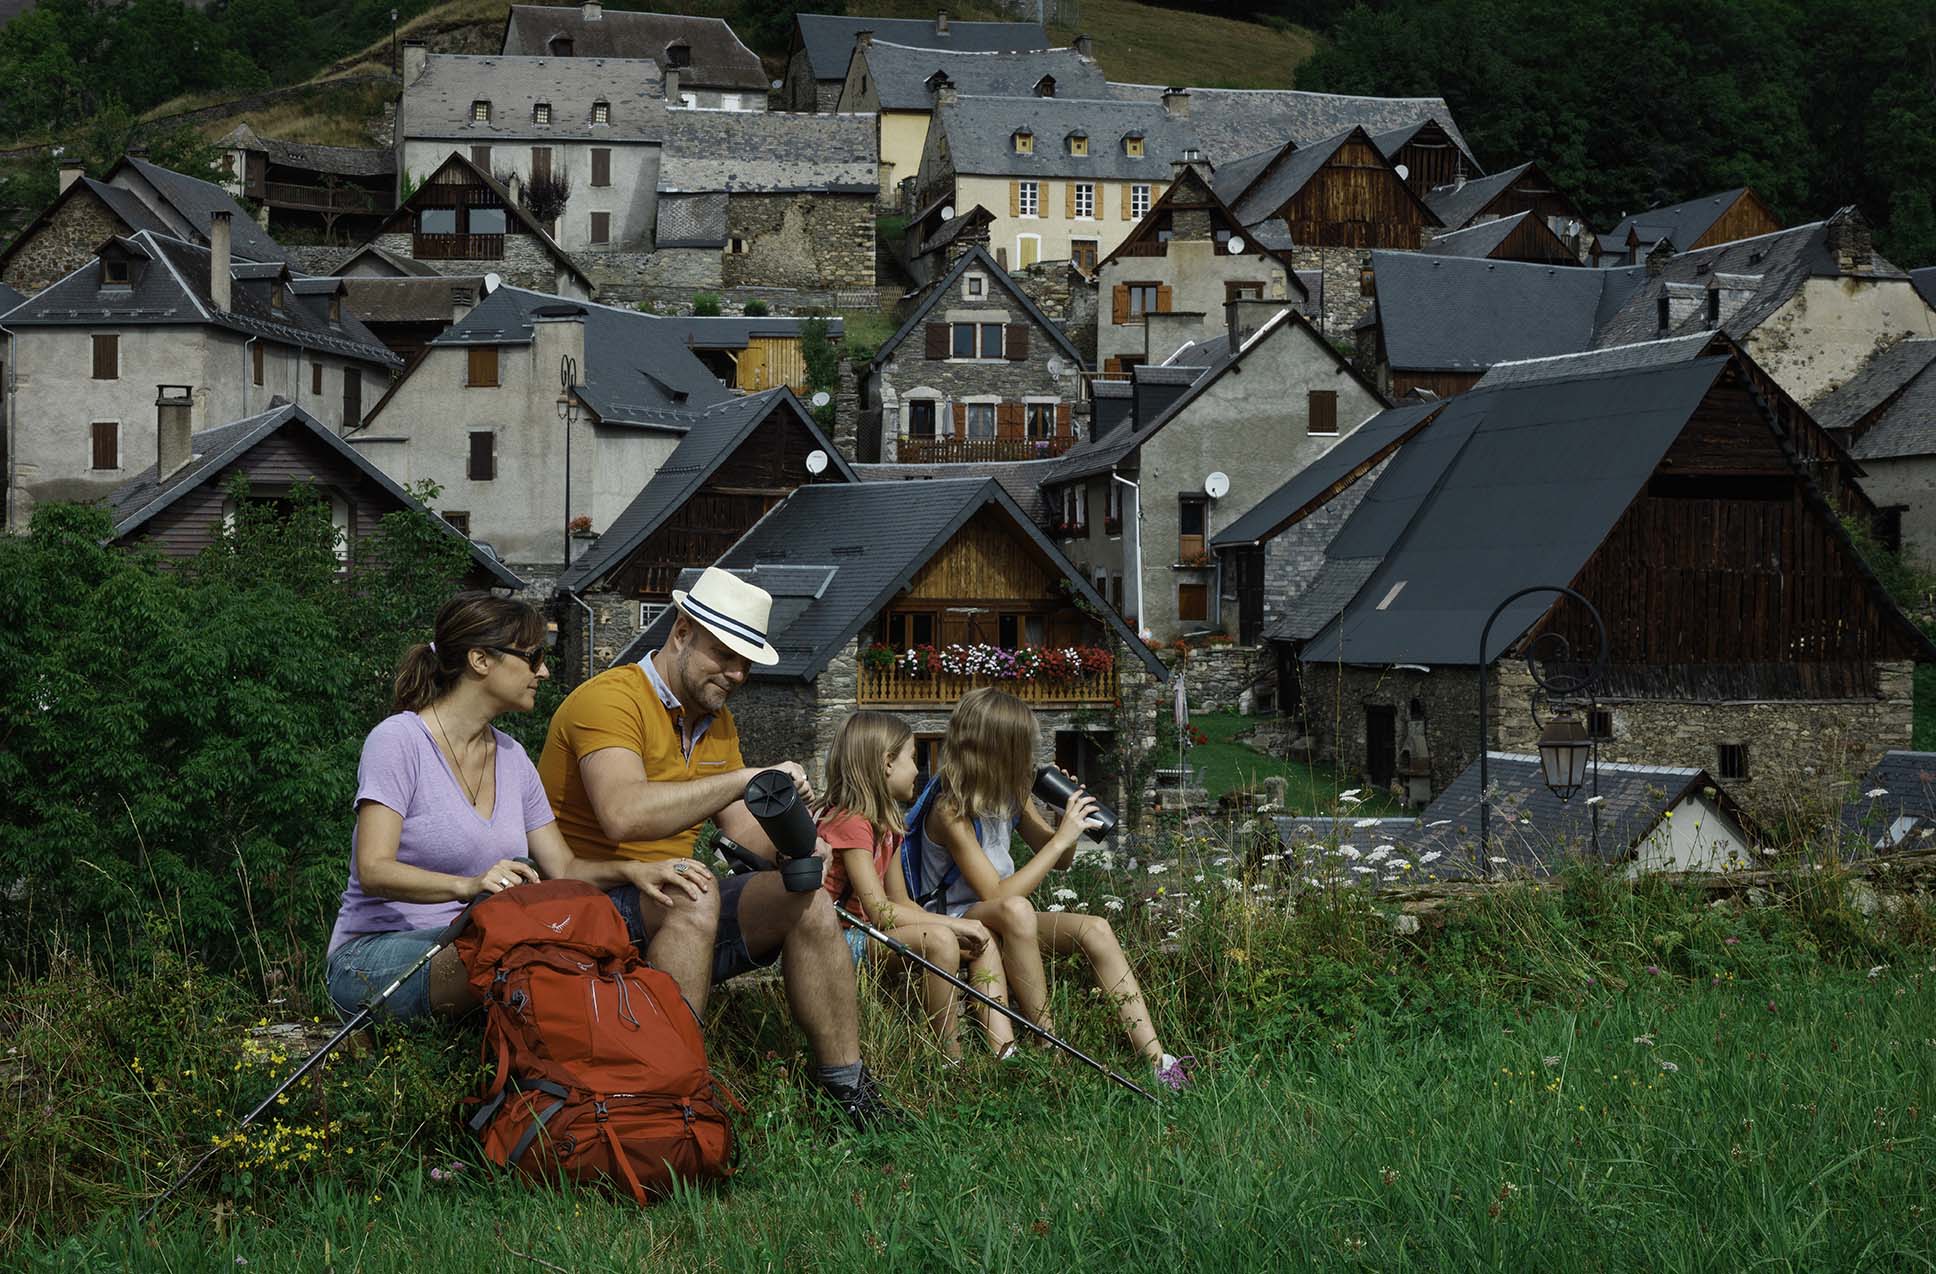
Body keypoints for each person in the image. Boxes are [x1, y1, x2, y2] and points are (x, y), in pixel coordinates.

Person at [537, 567, 899, 1128]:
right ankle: (674, 1096)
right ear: (681, 632)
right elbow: (623, 814)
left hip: (671, 900)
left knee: (804, 898)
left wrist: (800, 842)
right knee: (694, 890)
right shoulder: (609, 700)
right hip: (585, 900)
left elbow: (742, 827)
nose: (737, 674)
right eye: (724, 655)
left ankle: (846, 1089)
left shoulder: (715, 721)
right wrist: (743, 779)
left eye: (746, 662)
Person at [326, 593, 716, 1022]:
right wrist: (469, 885)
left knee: (543, 941)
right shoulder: (398, 741)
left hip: (480, 942)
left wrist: (636, 871)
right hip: (376, 957)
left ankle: (661, 1067)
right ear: (480, 660)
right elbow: (374, 869)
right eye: (533, 658)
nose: (544, 672)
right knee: (527, 950)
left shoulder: (513, 758)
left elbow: (562, 868)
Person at [906, 687, 1189, 1090]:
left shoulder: (1009, 795)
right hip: (955, 920)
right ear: (995, 749)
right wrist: (1061, 839)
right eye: (1022, 747)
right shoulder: (950, 810)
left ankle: (1159, 1059)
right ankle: (1048, 1045)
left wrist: (1064, 821)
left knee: (1097, 929)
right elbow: (996, 896)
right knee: (1017, 909)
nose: (1029, 759)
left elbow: (1062, 861)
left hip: (1003, 916)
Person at [815, 711, 1015, 1062]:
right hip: (840, 940)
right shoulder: (850, 823)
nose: (918, 771)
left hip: (871, 935)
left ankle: (1004, 1050)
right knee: (940, 940)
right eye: (912, 758)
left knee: (977, 938)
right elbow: (878, 911)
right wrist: (950, 924)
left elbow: (901, 901)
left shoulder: (886, 823)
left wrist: (962, 927)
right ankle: (950, 1058)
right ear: (887, 763)